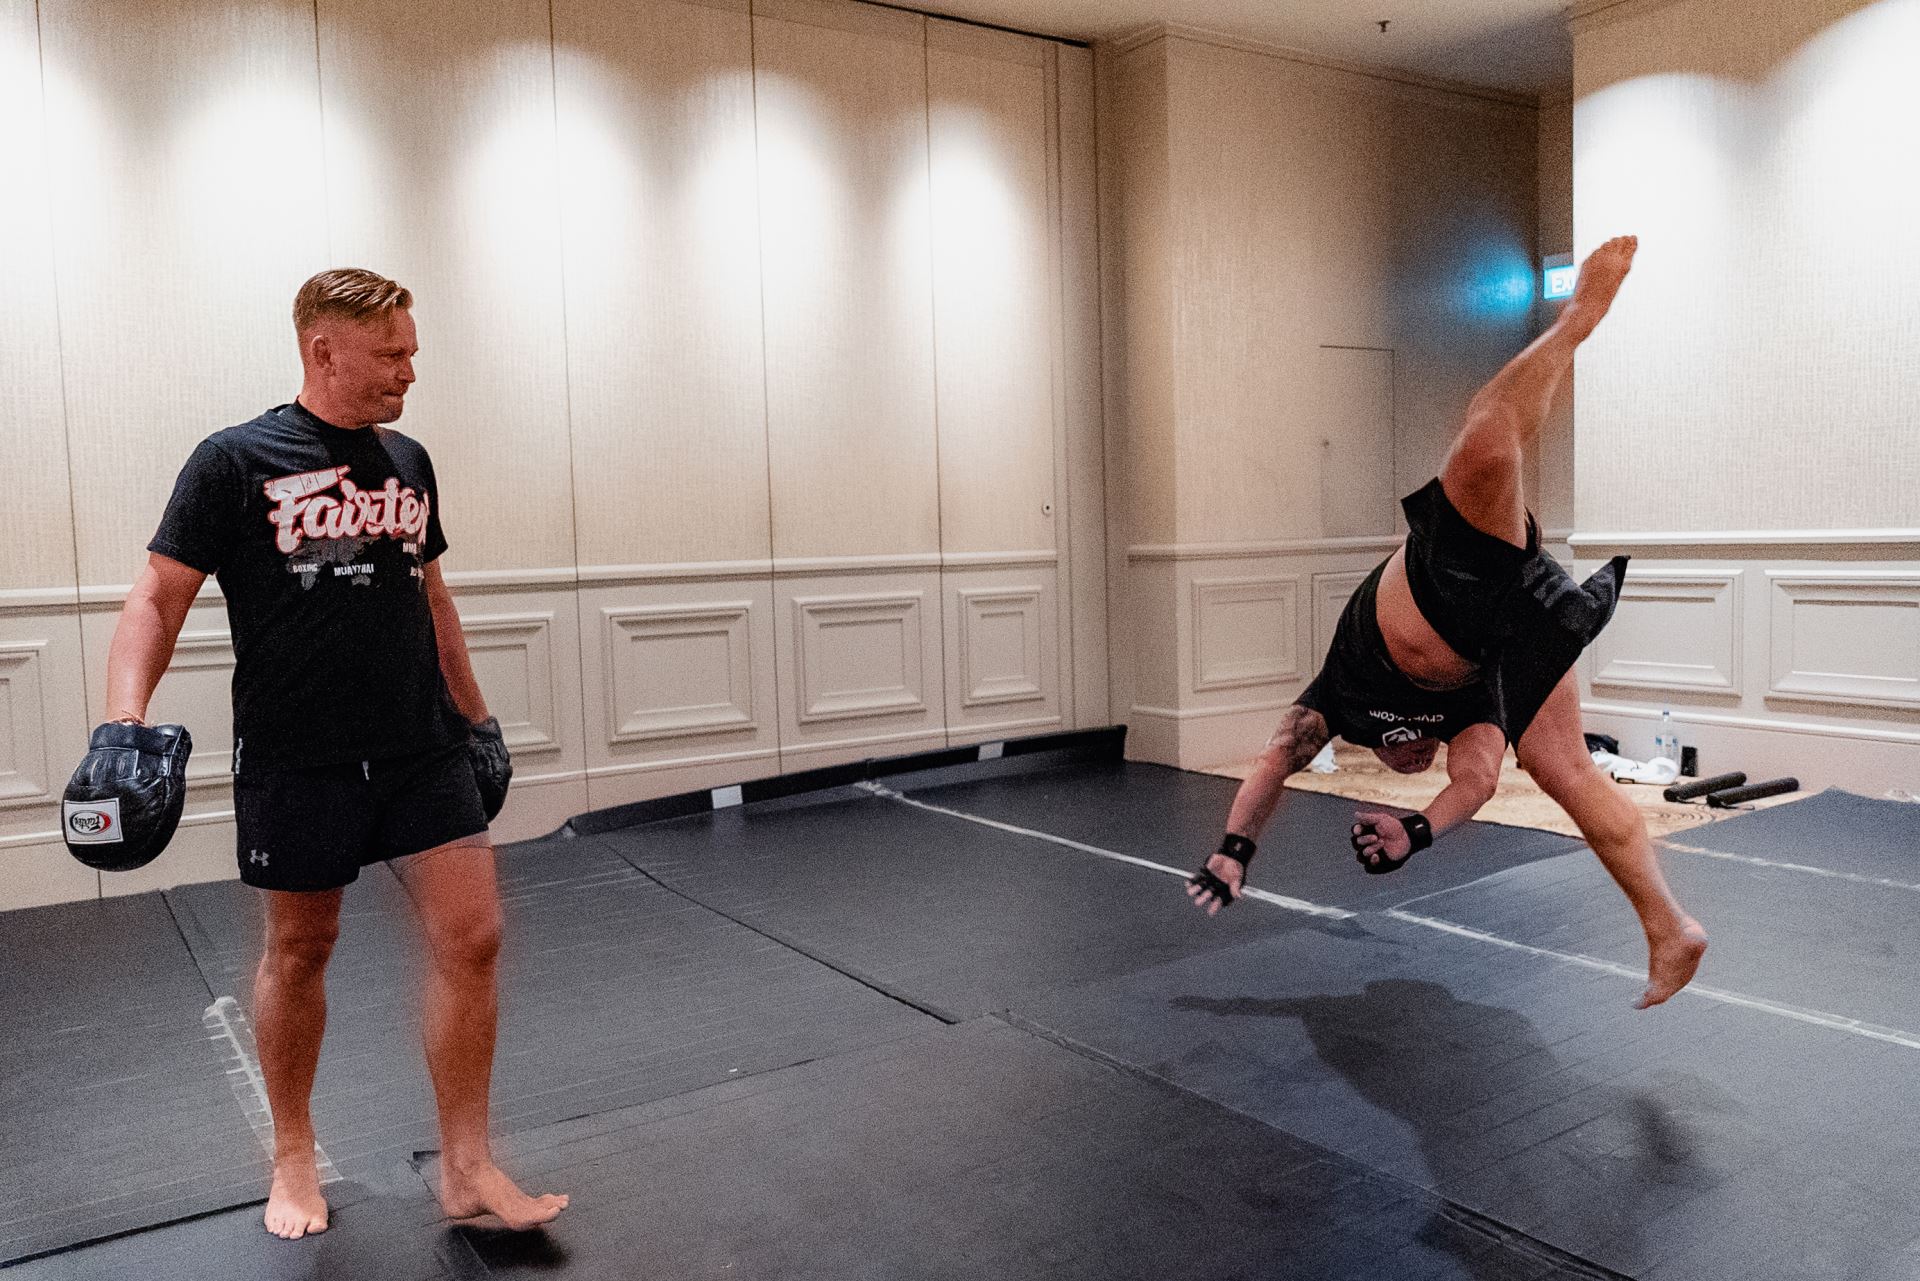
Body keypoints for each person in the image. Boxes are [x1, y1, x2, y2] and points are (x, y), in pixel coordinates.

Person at [102, 269, 567, 1238]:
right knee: (303, 948)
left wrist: (476, 722)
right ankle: (291, 1158)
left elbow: (431, 599)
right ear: (325, 349)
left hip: (418, 745)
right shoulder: (233, 461)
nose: (408, 372)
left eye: (412, 354)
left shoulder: (408, 461)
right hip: (298, 754)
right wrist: (122, 722)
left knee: (473, 937)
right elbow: (157, 595)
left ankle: (469, 1165)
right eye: (391, 354)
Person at [1186, 237, 1707, 1010]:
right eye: (1412, 762)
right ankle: (1670, 928)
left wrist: (1234, 850)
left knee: (1486, 440)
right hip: (1516, 635)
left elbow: (1271, 763)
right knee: (1567, 772)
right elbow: (1479, 781)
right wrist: (1417, 832)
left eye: (1405, 758)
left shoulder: (1340, 701)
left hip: (1453, 582)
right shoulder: (1468, 719)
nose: (1409, 758)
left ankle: (1575, 319)